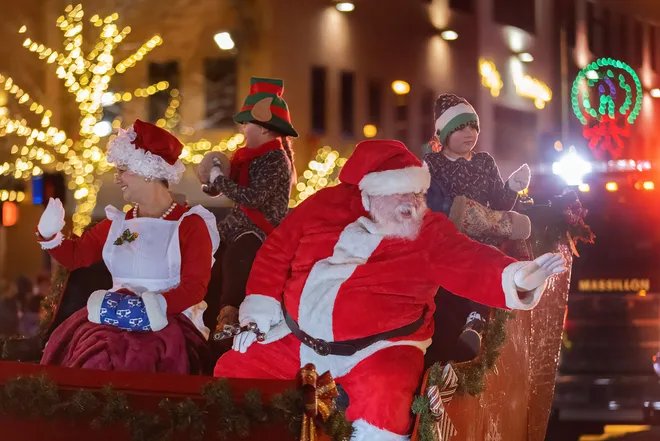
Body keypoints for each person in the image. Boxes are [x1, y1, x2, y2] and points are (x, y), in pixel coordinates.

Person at [214, 139, 566, 440]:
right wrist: (258, 317)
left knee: (385, 397)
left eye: (415, 192)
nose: (410, 202)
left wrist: (518, 277)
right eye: (401, 192)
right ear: (370, 193)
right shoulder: (323, 206)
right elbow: (276, 253)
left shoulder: (425, 228)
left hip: (378, 352)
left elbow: (468, 260)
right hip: (296, 340)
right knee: (237, 369)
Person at [36, 119, 220, 373]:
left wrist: (148, 310)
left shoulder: (190, 225)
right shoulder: (117, 222)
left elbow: (194, 288)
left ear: (146, 170)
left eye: (123, 170)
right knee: (93, 356)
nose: (118, 178)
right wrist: (50, 235)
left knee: (143, 358)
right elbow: (75, 256)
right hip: (113, 320)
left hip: (168, 322)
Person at [423, 93, 532, 360]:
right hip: (450, 239)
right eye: (460, 128)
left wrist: (512, 188)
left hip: (485, 237)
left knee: (488, 264)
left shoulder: (484, 162)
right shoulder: (433, 165)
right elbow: (432, 203)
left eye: (472, 126)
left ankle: (476, 321)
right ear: (444, 133)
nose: (468, 133)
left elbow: (499, 201)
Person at [197, 77, 296, 337]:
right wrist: (214, 182)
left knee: (238, 258)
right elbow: (229, 185)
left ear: (264, 128)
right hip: (235, 227)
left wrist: (220, 179)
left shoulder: (275, 159)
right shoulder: (249, 158)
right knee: (207, 253)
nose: (243, 129)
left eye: (248, 124)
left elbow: (252, 198)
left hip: (257, 231)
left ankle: (231, 315)